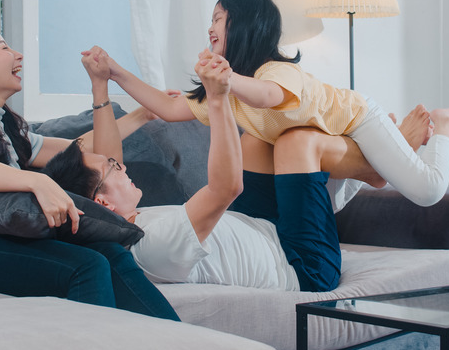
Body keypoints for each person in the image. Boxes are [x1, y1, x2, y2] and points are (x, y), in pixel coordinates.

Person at [90, 0, 449, 209]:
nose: (209, 27)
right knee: (328, 208)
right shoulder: (229, 91)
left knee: (427, 191)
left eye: (218, 18)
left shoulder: (275, 71)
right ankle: (382, 159)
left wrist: (226, 79)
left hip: (357, 121)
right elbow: (171, 108)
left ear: (245, 26)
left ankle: (446, 123)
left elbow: (269, 97)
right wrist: (116, 72)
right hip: (319, 144)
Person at [42, 46, 368, 291]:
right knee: (300, 143)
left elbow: (105, 159)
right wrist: (217, 97)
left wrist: (101, 83)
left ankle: (357, 165)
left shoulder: (120, 223)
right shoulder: (152, 244)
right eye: (114, 169)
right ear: (103, 203)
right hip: (302, 266)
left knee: (257, 140)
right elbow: (226, 188)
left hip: (264, 225)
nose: (120, 164)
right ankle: (373, 167)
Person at [0, 23, 179, 321]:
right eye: (4, 48)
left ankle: (181, 345)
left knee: (111, 253)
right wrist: (37, 181)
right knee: (86, 266)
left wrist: (142, 114)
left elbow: (87, 150)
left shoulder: (9, 130)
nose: (19, 55)